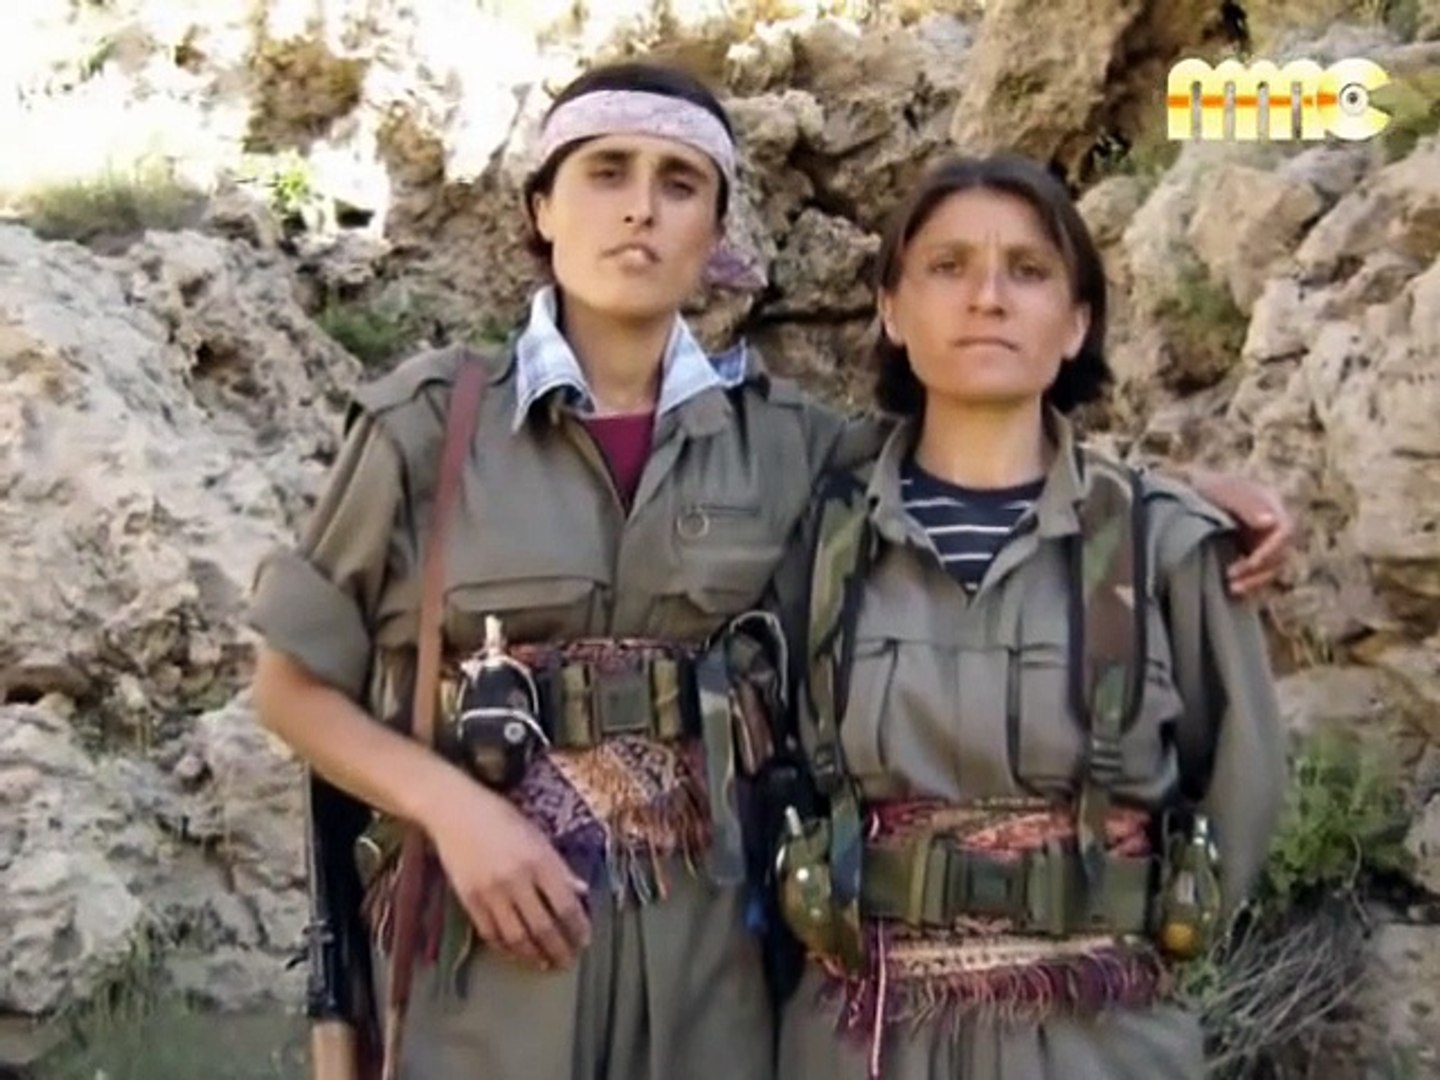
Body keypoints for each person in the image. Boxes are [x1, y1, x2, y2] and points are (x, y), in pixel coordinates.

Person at [245, 61, 1292, 1080]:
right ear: (541, 210)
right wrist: (449, 807)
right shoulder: (427, 429)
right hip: (484, 948)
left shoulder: (790, 445)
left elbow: (980, 451)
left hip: (709, 968)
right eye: (606, 172)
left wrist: (1174, 496)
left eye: (680, 183)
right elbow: (290, 685)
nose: (641, 209)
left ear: (716, 235)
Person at [768, 154, 1287, 1080]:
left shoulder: (1165, 545)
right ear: (892, 310)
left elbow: (1241, 789)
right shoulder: (815, 533)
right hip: (861, 1036)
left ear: (1076, 322)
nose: (988, 298)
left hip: (1100, 1035)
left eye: (1030, 270)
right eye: (948, 266)